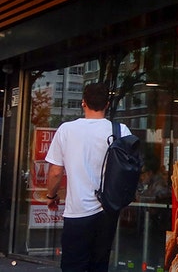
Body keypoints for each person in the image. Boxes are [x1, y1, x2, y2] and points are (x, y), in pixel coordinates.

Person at [44, 82, 131, 272]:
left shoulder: (66, 130)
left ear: (83, 102)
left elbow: (56, 172)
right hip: (108, 212)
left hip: (77, 212)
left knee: (73, 266)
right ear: (107, 104)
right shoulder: (121, 131)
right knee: (99, 265)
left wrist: (51, 196)